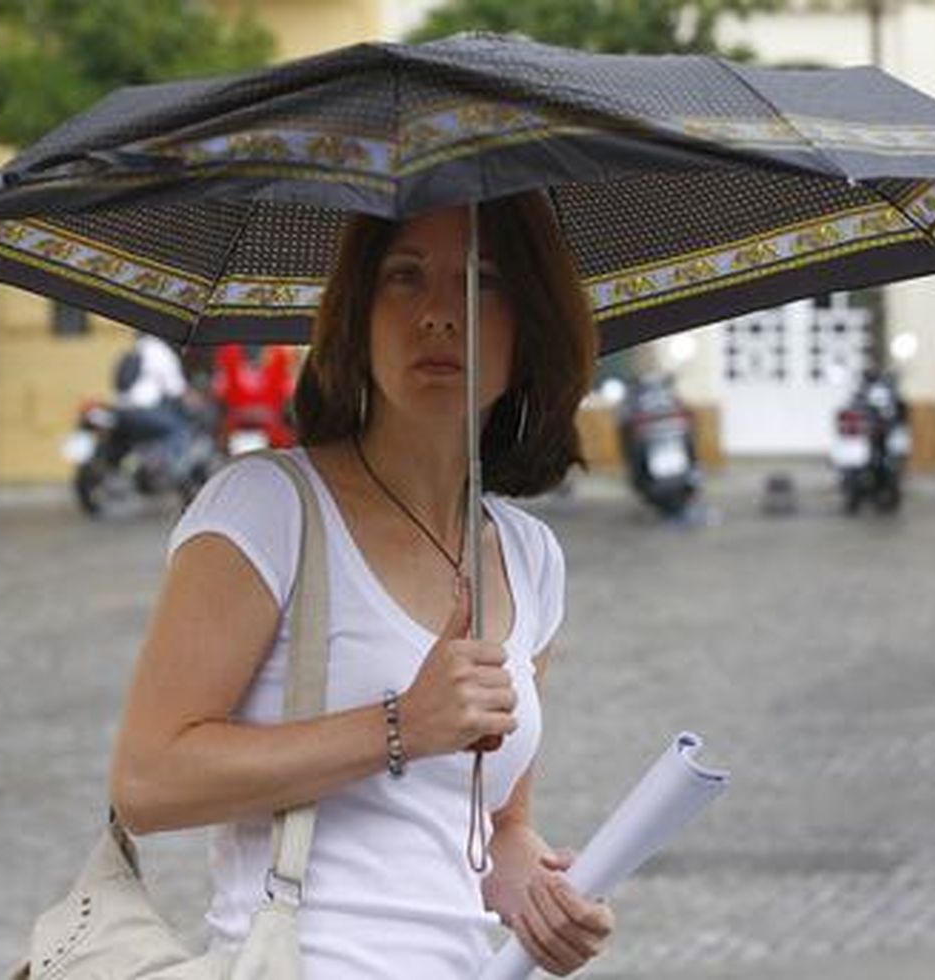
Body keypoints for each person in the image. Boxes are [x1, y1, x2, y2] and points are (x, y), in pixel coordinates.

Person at [110, 192, 615, 977]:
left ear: (532, 322)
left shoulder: (529, 557)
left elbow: (497, 824)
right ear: (357, 310)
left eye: (481, 281)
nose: (439, 314)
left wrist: (541, 895)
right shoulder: (269, 510)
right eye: (404, 277)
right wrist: (401, 726)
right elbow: (149, 781)